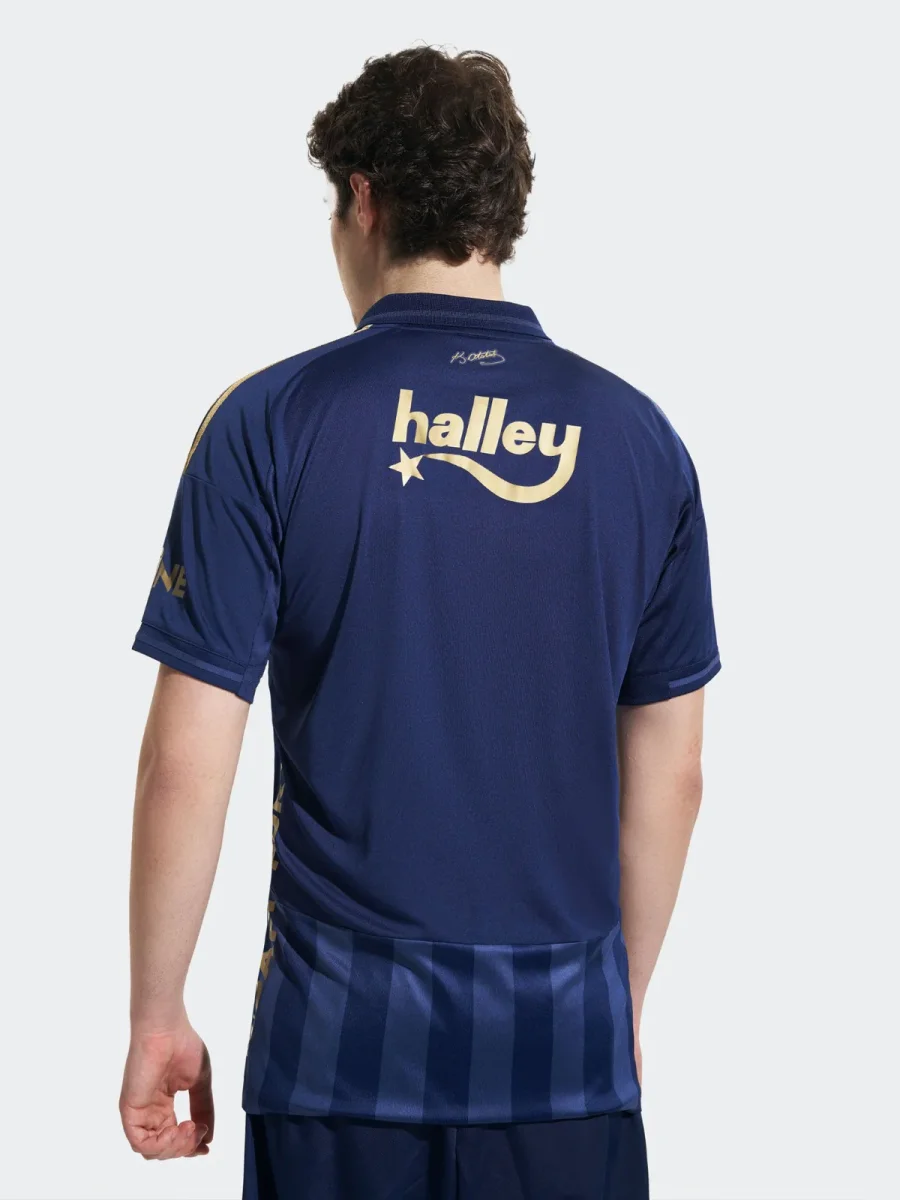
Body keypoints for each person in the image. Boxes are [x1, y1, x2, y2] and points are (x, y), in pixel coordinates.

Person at [119, 45, 720, 1200]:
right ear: (499, 214)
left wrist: (157, 1016)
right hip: (563, 1058)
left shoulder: (269, 422)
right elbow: (675, 775)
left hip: (339, 1050)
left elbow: (183, 766)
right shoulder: (643, 443)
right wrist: (614, 1010)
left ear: (365, 200)